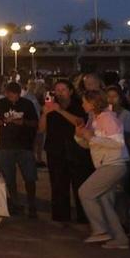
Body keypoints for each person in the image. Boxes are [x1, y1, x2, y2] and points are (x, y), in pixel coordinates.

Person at [75, 89, 130, 250]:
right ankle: (120, 238)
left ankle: (100, 230)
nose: (82, 104)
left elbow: (117, 143)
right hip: (107, 164)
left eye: (85, 102)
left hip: (113, 164)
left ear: (92, 103)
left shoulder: (107, 118)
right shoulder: (94, 118)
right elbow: (89, 144)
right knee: (104, 201)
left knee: (85, 192)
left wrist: (91, 137)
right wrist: (80, 135)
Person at [41, 81, 87, 225]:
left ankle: (83, 216)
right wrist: (45, 113)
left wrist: (60, 110)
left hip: (75, 149)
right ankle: (61, 216)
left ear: (70, 91)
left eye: (63, 89)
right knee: (58, 184)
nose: (60, 92)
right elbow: (41, 129)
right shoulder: (50, 106)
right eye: (57, 90)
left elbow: (79, 122)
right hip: (55, 149)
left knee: (80, 184)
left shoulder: (78, 106)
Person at [0, 82, 38, 217]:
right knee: (9, 178)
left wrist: (23, 122)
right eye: (11, 96)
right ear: (6, 93)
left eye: (16, 96)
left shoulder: (27, 104)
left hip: (25, 146)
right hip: (6, 146)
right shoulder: (0, 104)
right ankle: (16, 204)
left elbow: (35, 122)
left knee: (30, 177)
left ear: (19, 94)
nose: (13, 99)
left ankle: (32, 204)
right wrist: (6, 121)